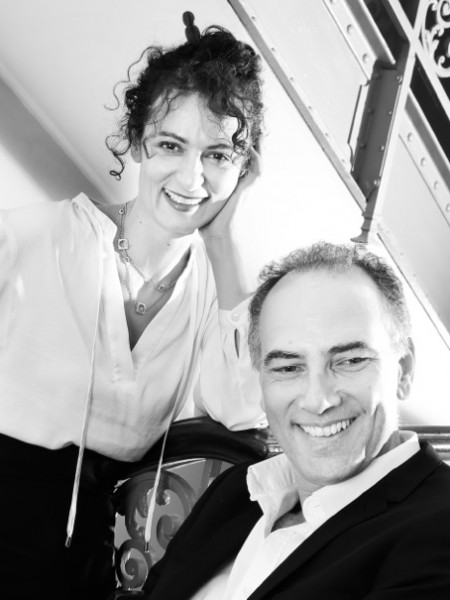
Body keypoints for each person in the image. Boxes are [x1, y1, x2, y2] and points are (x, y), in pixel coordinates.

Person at [0, 20, 267, 600]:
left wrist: (223, 241)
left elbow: (243, 409)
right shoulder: (34, 238)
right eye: (171, 145)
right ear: (138, 139)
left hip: (89, 566)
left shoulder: (212, 292)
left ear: (243, 167)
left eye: (218, 154)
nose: (192, 177)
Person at [141, 240, 450, 599]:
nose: (318, 401)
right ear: (261, 381)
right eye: (288, 367)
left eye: (350, 361)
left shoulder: (440, 526)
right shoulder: (235, 491)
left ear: (404, 370)